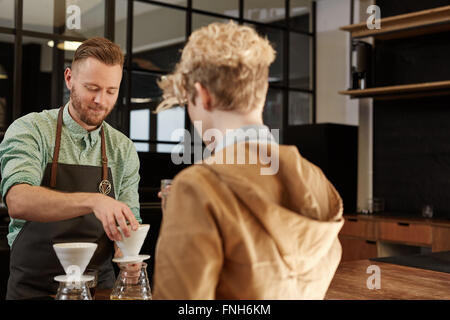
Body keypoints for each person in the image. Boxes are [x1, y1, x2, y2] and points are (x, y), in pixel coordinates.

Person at [152, 21, 344, 300]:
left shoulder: (197, 187)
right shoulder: (316, 179)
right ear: (263, 92)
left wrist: (181, 222)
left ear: (203, 95)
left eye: (188, 103)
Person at [0, 37, 141, 300]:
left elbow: (129, 220)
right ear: (69, 79)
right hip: (34, 289)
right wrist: (94, 201)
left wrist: (127, 251)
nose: (101, 100)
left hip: (100, 288)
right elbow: (18, 201)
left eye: (111, 91)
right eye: (92, 88)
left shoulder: (122, 148)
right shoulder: (31, 130)